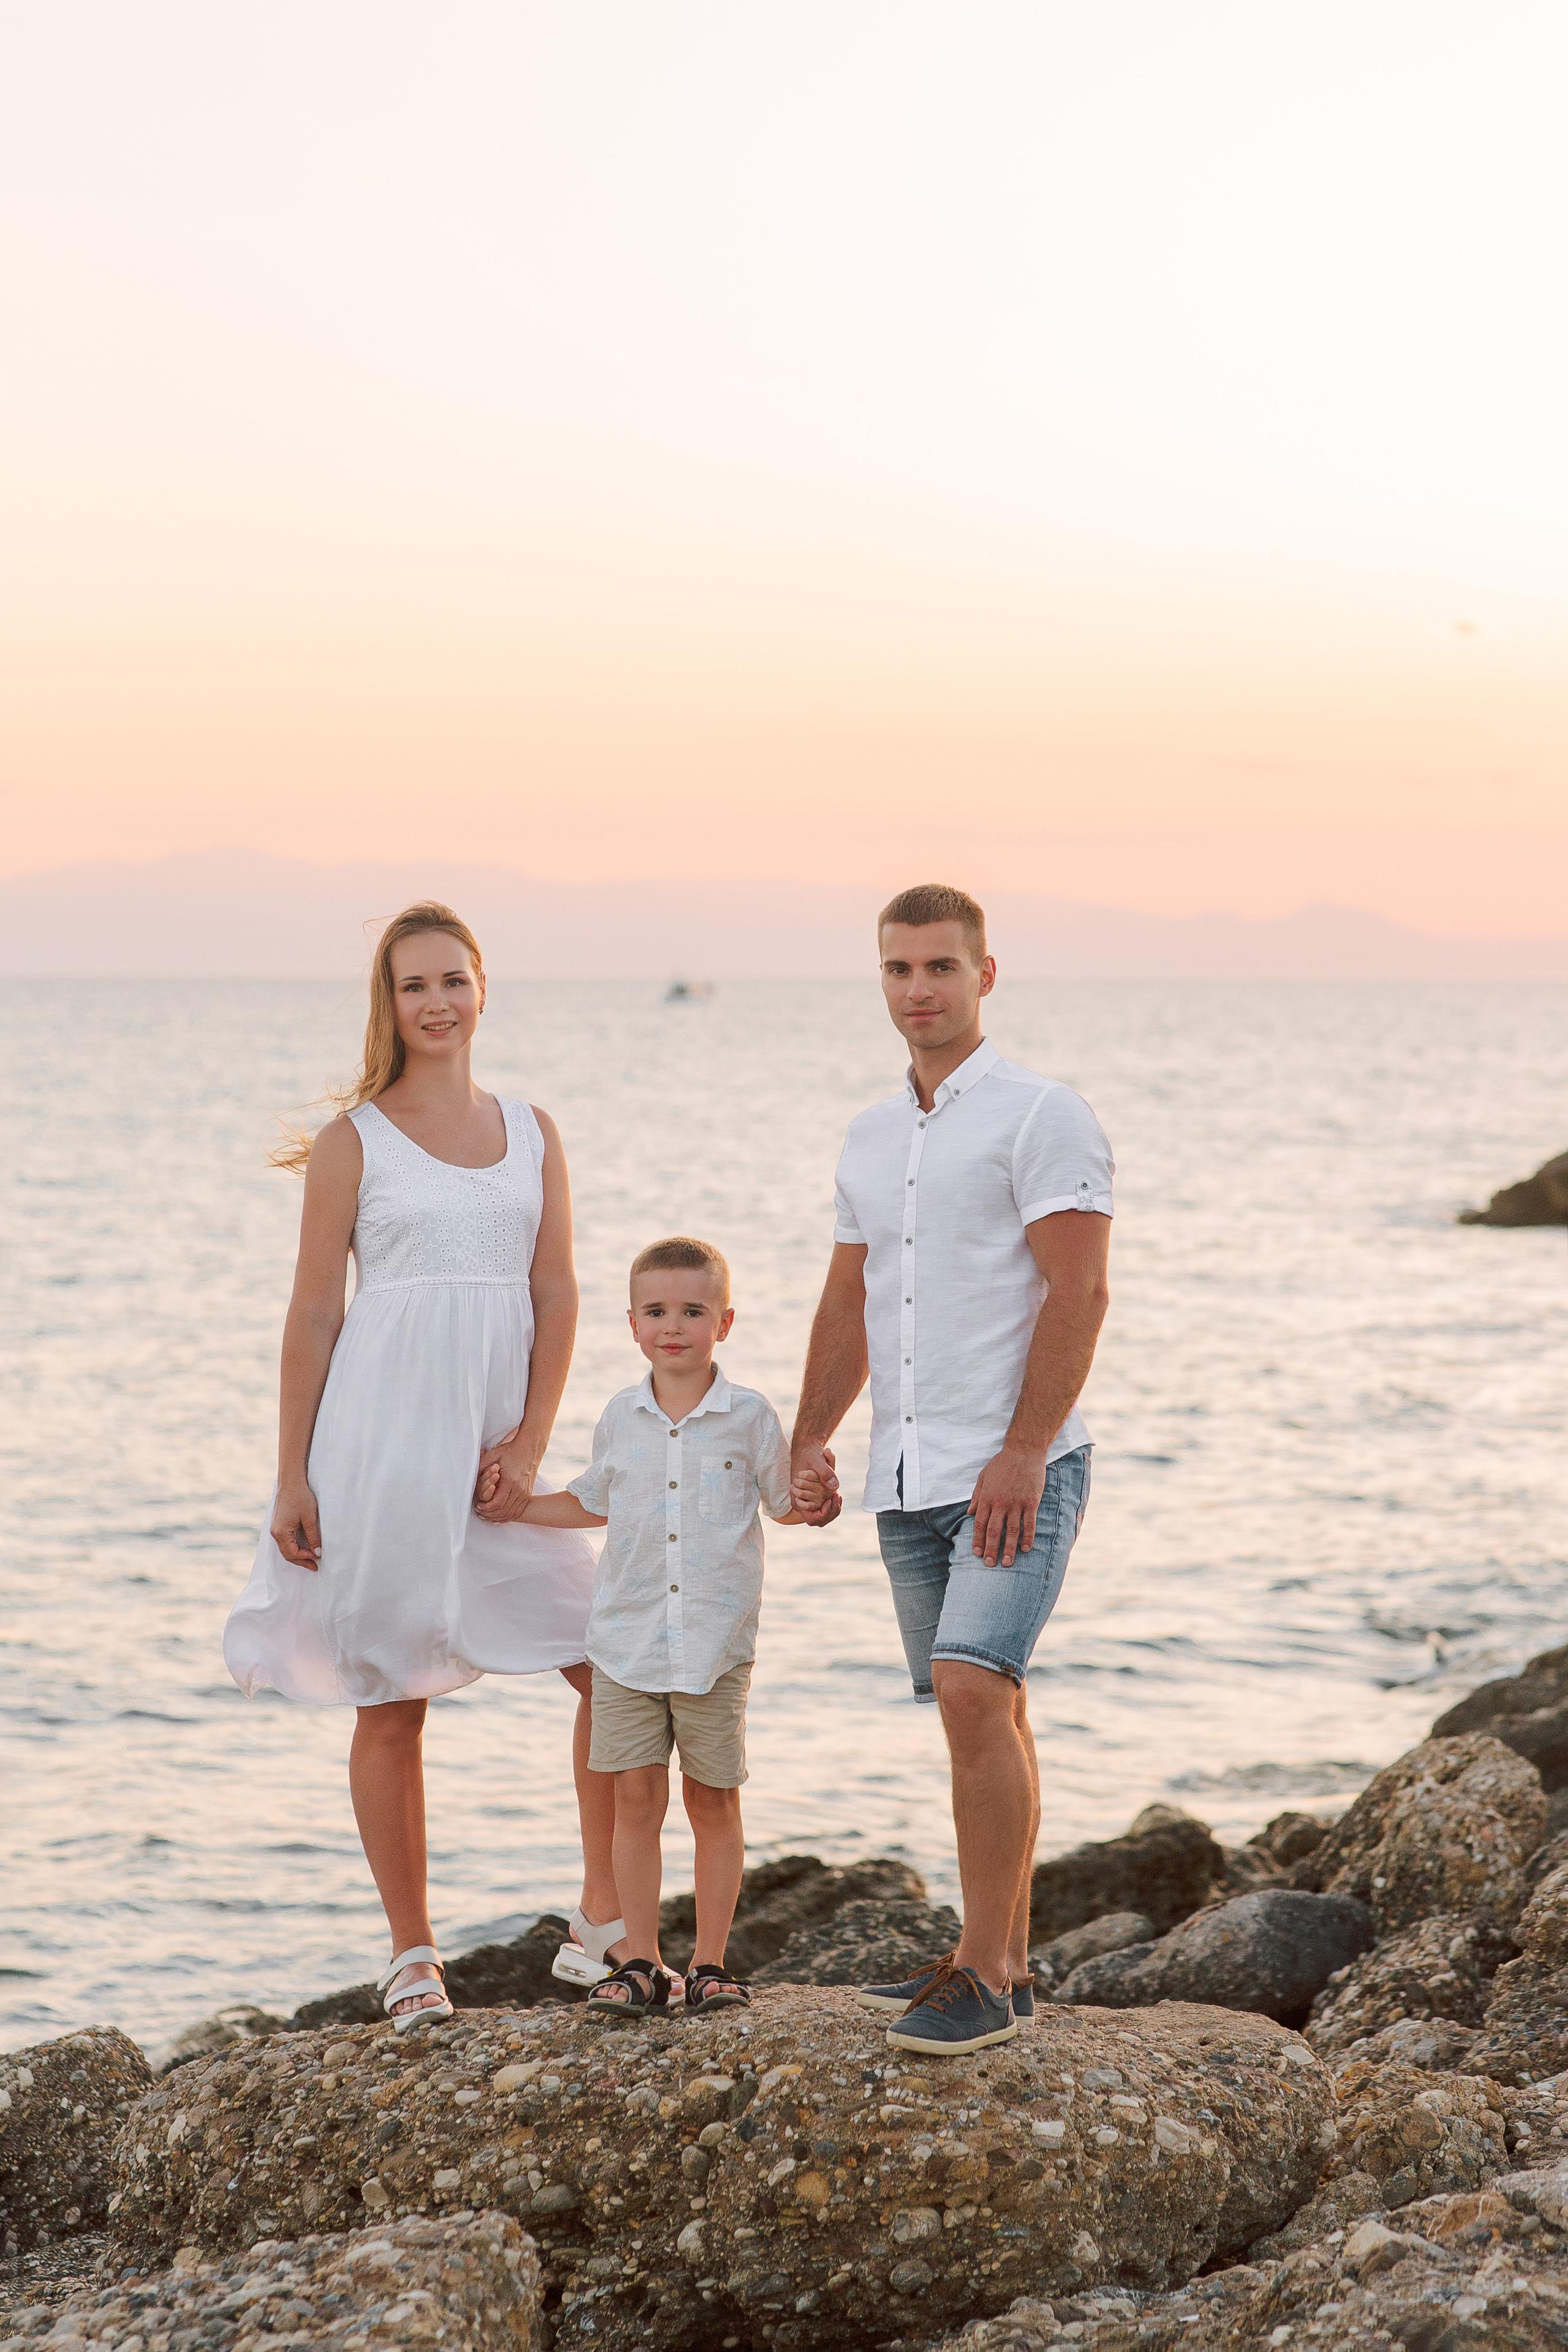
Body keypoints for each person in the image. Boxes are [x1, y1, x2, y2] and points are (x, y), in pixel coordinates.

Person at [224, 902, 627, 2032]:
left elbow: (558, 1292)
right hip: (384, 1445)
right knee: (392, 1697)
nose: (437, 1003)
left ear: (483, 987)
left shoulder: (533, 1129)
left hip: (500, 1447)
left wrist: (533, 1443)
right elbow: (313, 1314)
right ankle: (412, 1955)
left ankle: (600, 1915)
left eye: (454, 980)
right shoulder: (358, 1142)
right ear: (388, 1002)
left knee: (605, 1661)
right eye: (414, 986)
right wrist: (291, 1477)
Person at [790, 883, 1113, 2055]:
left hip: (1016, 1465)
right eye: (897, 970)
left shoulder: (1043, 1116)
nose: (918, 989)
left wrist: (1025, 1450)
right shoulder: (871, 1135)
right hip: (906, 1475)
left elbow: (1079, 1291)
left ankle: (981, 1974)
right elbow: (851, 1298)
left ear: (986, 974)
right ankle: (1007, 1964)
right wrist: (813, 1433)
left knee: (979, 1690)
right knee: (978, 1707)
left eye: (939, 967)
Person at [515, 1236, 810, 2016]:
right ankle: (640, 1961)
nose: (672, 1325)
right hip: (624, 1644)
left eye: (691, 1310)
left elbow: (786, 1504)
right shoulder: (621, 1415)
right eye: (656, 1311)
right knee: (635, 1801)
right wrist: (513, 1507)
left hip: (715, 1648)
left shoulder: (749, 1417)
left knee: (712, 1802)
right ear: (632, 1322)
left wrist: (821, 1495)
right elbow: (591, 1500)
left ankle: (709, 1962)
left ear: (725, 1321)